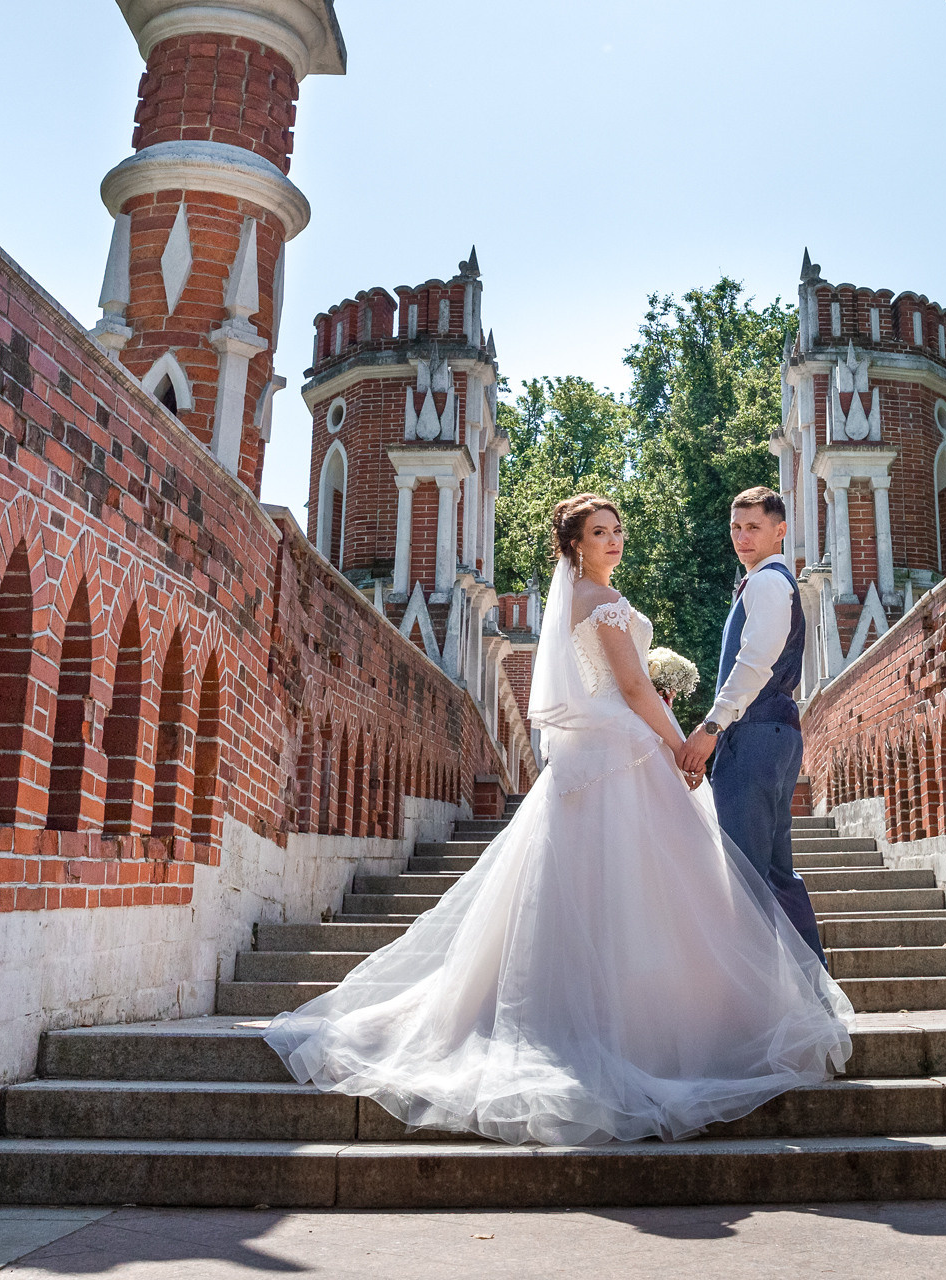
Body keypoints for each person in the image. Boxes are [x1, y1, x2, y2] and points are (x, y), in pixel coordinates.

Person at [264, 493, 851, 1146]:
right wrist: (680, 738)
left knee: (636, 887)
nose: (614, 541)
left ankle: (694, 1007)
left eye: (618, 530)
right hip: (622, 746)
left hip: (610, 747)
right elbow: (630, 689)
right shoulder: (596, 603)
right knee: (656, 885)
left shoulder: (594, 598)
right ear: (574, 546)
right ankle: (657, 1022)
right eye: (600, 533)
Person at [680, 487, 826, 966]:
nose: (742, 537)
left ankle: (768, 998)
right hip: (776, 733)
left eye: (753, 527)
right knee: (777, 874)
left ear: (779, 530)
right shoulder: (767, 581)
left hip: (758, 735)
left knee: (746, 875)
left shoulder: (766, 583)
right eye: (736, 527)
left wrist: (711, 727)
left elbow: (755, 662)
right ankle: (811, 986)